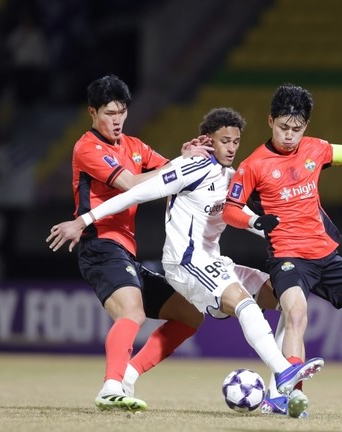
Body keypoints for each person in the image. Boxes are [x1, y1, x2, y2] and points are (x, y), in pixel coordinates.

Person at [47, 107, 324, 418]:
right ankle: (284, 371)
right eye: (224, 141)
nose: (231, 148)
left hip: (214, 262)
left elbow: (246, 216)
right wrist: (85, 219)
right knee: (243, 303)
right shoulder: (191, 167)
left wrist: (288, 235)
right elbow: (135, 194)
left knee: (285, 297)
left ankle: (276, 395)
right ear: (209, 140)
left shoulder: (231, 177)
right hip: (185, 263)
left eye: (235, 141)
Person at [221, 83, 342, 416]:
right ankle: (292, 397)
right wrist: (256, 222)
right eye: (283, 127)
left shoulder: (318, 149)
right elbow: (230, 210)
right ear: (270, 121)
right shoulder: (253, 165)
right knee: (296, 315)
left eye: (296, 129)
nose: (289, 135)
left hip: (326, 256)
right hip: (287, 257)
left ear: (306, 127)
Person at [50, 73, 220, 412]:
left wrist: (186, 158)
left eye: (122, 112)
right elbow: (130, 183)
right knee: (132, 312)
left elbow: (172, 177)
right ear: (92, 113)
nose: (117, 120)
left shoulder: (134, 146)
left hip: (125, 252)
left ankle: (127, 374)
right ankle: (110, 387)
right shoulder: (87, 147)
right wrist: (178, 166)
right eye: (109, 113)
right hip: (100, 246)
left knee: (190, 315)